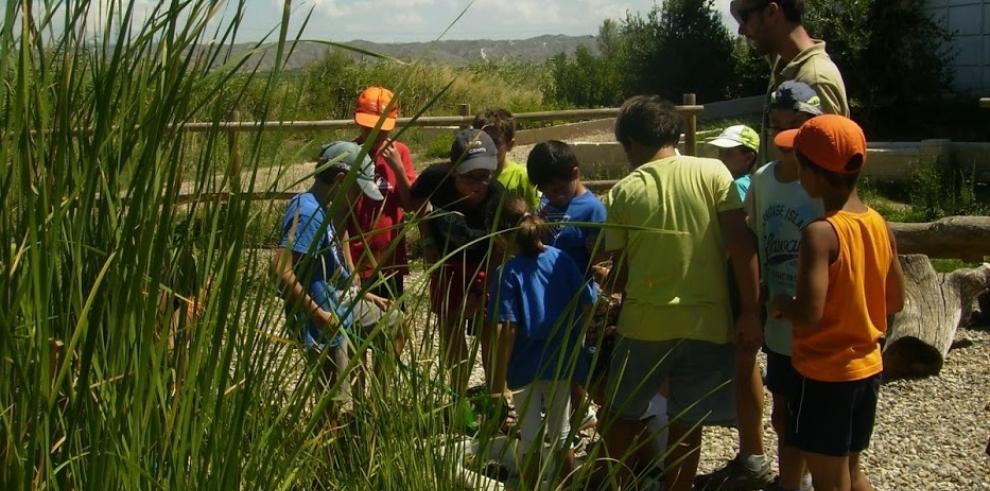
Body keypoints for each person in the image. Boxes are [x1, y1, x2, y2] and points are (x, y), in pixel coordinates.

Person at [601, 96, 761, 491]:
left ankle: (615, 482)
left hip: (644, 324)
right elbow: (741, 244)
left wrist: (607, 280)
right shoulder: (714, 174)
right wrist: (750, 311)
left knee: (620, 414)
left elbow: (619, 274)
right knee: (687, 421)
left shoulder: (623, 191)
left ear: (631, 144)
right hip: (708, 323)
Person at [698, 81, 824, 491]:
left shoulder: (824, 185)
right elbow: (750, 239)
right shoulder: (765, 181)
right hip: (779, 319)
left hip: (820, 321)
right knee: (784, 411)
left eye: (798, 124)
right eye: (779, 125)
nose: (786, 135)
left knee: (819, 416)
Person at [769, 115, 905, 491]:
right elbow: (895, 299)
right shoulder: (880, 223)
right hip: (867, 368)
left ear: (811, 173)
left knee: (829, 480)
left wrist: (782, 304)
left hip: (824, 374)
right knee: (851, 471)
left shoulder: (820, 234)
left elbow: (810, 314)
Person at [272, 141, 402, 408]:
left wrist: (359, 291)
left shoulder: (327, 206)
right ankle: (331, 442)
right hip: (323, 318)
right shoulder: (307, 212)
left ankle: (376, 406)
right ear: (341, 179)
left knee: (395, 323)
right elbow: (279, 271)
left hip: (342, 303)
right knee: (334, 400)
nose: (359, 198)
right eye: (357, 189)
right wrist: (319, 315)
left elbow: (336, 247)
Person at [487, 198, 596, 488]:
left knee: (530, 436)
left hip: (524, 366)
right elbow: (589, 304)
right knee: (561, 433)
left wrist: (498, 384)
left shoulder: (506, 273)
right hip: (562, 360)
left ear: (501, 237)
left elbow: (507, 328)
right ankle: (567, 485)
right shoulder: (561, 259)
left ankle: (530, 485)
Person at [410, 128, 507, 393]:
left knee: (490, 328)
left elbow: (501, 251)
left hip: (485, 265)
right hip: (448, 263)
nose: (478, 185)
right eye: (470, 176)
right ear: (453, 169)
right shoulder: (435, 178)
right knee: (450, 325)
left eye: (485, 175)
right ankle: (458, 394)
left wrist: (479, 293)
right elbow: (416, 199)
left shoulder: (497, 197)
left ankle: (496, 393)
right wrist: (428, 242)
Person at [527, 139, 609, 431]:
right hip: (549, 294)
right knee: (557, 355)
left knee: (574, 354)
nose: (554, 194)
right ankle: (571, 409)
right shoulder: (547, 206)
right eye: (547, 190)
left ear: (575, 173)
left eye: (559, 188)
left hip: (579, 296)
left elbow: (602, 259)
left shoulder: (592, 209)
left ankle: (583, 409)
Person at [730, 0, 848, 158]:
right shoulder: (784, 63)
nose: (741, 30)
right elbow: (734, 8)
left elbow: (826, 171)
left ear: (771, 12)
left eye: (745, 18)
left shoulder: (814, 80)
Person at [348, 86, 417, 308]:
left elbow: (410, 204)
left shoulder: (400, 153)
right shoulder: (348, 153)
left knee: (393, 323)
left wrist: (397, 167)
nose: (376, 135)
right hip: (355, 258)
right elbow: (339, 213)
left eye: (382, 130)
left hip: (390, 259)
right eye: (370, 129)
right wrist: (349, 267)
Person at [473, 108, 541, 210]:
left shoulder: (520, 177)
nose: (487, 147)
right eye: (482, 140)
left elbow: (533, 214)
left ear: (509, 145)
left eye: (495, 142)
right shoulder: (468, 175)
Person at [707, 124, 760, 200]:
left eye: (728, 153)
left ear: (748, 158)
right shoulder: (755, 183)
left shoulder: (736, 186)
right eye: (720, 152)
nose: (721, 158)